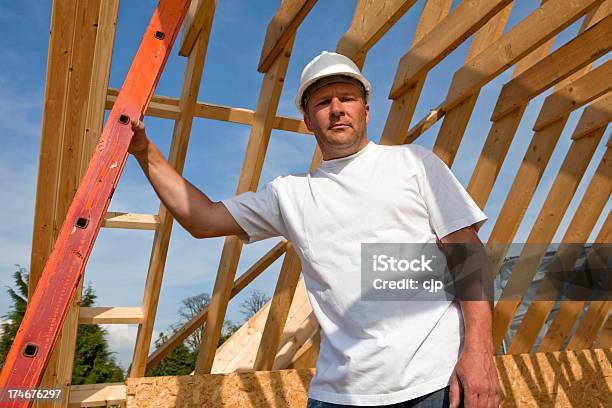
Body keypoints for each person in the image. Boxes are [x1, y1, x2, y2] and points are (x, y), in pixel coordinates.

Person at [129, 51, 501, 407]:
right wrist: (145, 152)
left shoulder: (414, 163)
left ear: (366, 111)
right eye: (323, 102)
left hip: (434, 383)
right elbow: (203, 218)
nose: (337, 108)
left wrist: (480, 353)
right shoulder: (290, 195)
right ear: (308, 120)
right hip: (340, 394)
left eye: (347, 98)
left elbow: (467, 255)